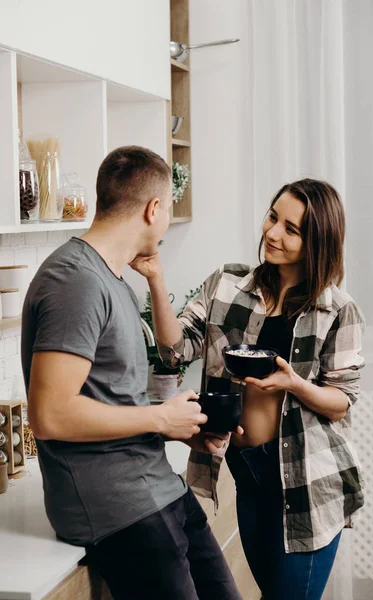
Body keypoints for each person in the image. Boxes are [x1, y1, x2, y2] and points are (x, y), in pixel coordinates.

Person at [21, 146, 243, 600]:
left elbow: (109, 399)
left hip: (157, 489)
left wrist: (175, 427)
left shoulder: (112, 278)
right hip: (118, 511)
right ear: (154, 208)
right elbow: (51, 414)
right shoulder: (75, 282)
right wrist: (160, 419)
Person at [133, 178, 365, 600]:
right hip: (249, 475)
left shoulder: (336, 309)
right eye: (273, 217)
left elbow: (341, 402)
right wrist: (155, 278)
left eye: (291, 229)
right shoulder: (227, 284)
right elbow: (175, 350)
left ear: (317, 241)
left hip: (307, 483)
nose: (272, 232)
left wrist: (293, 382)